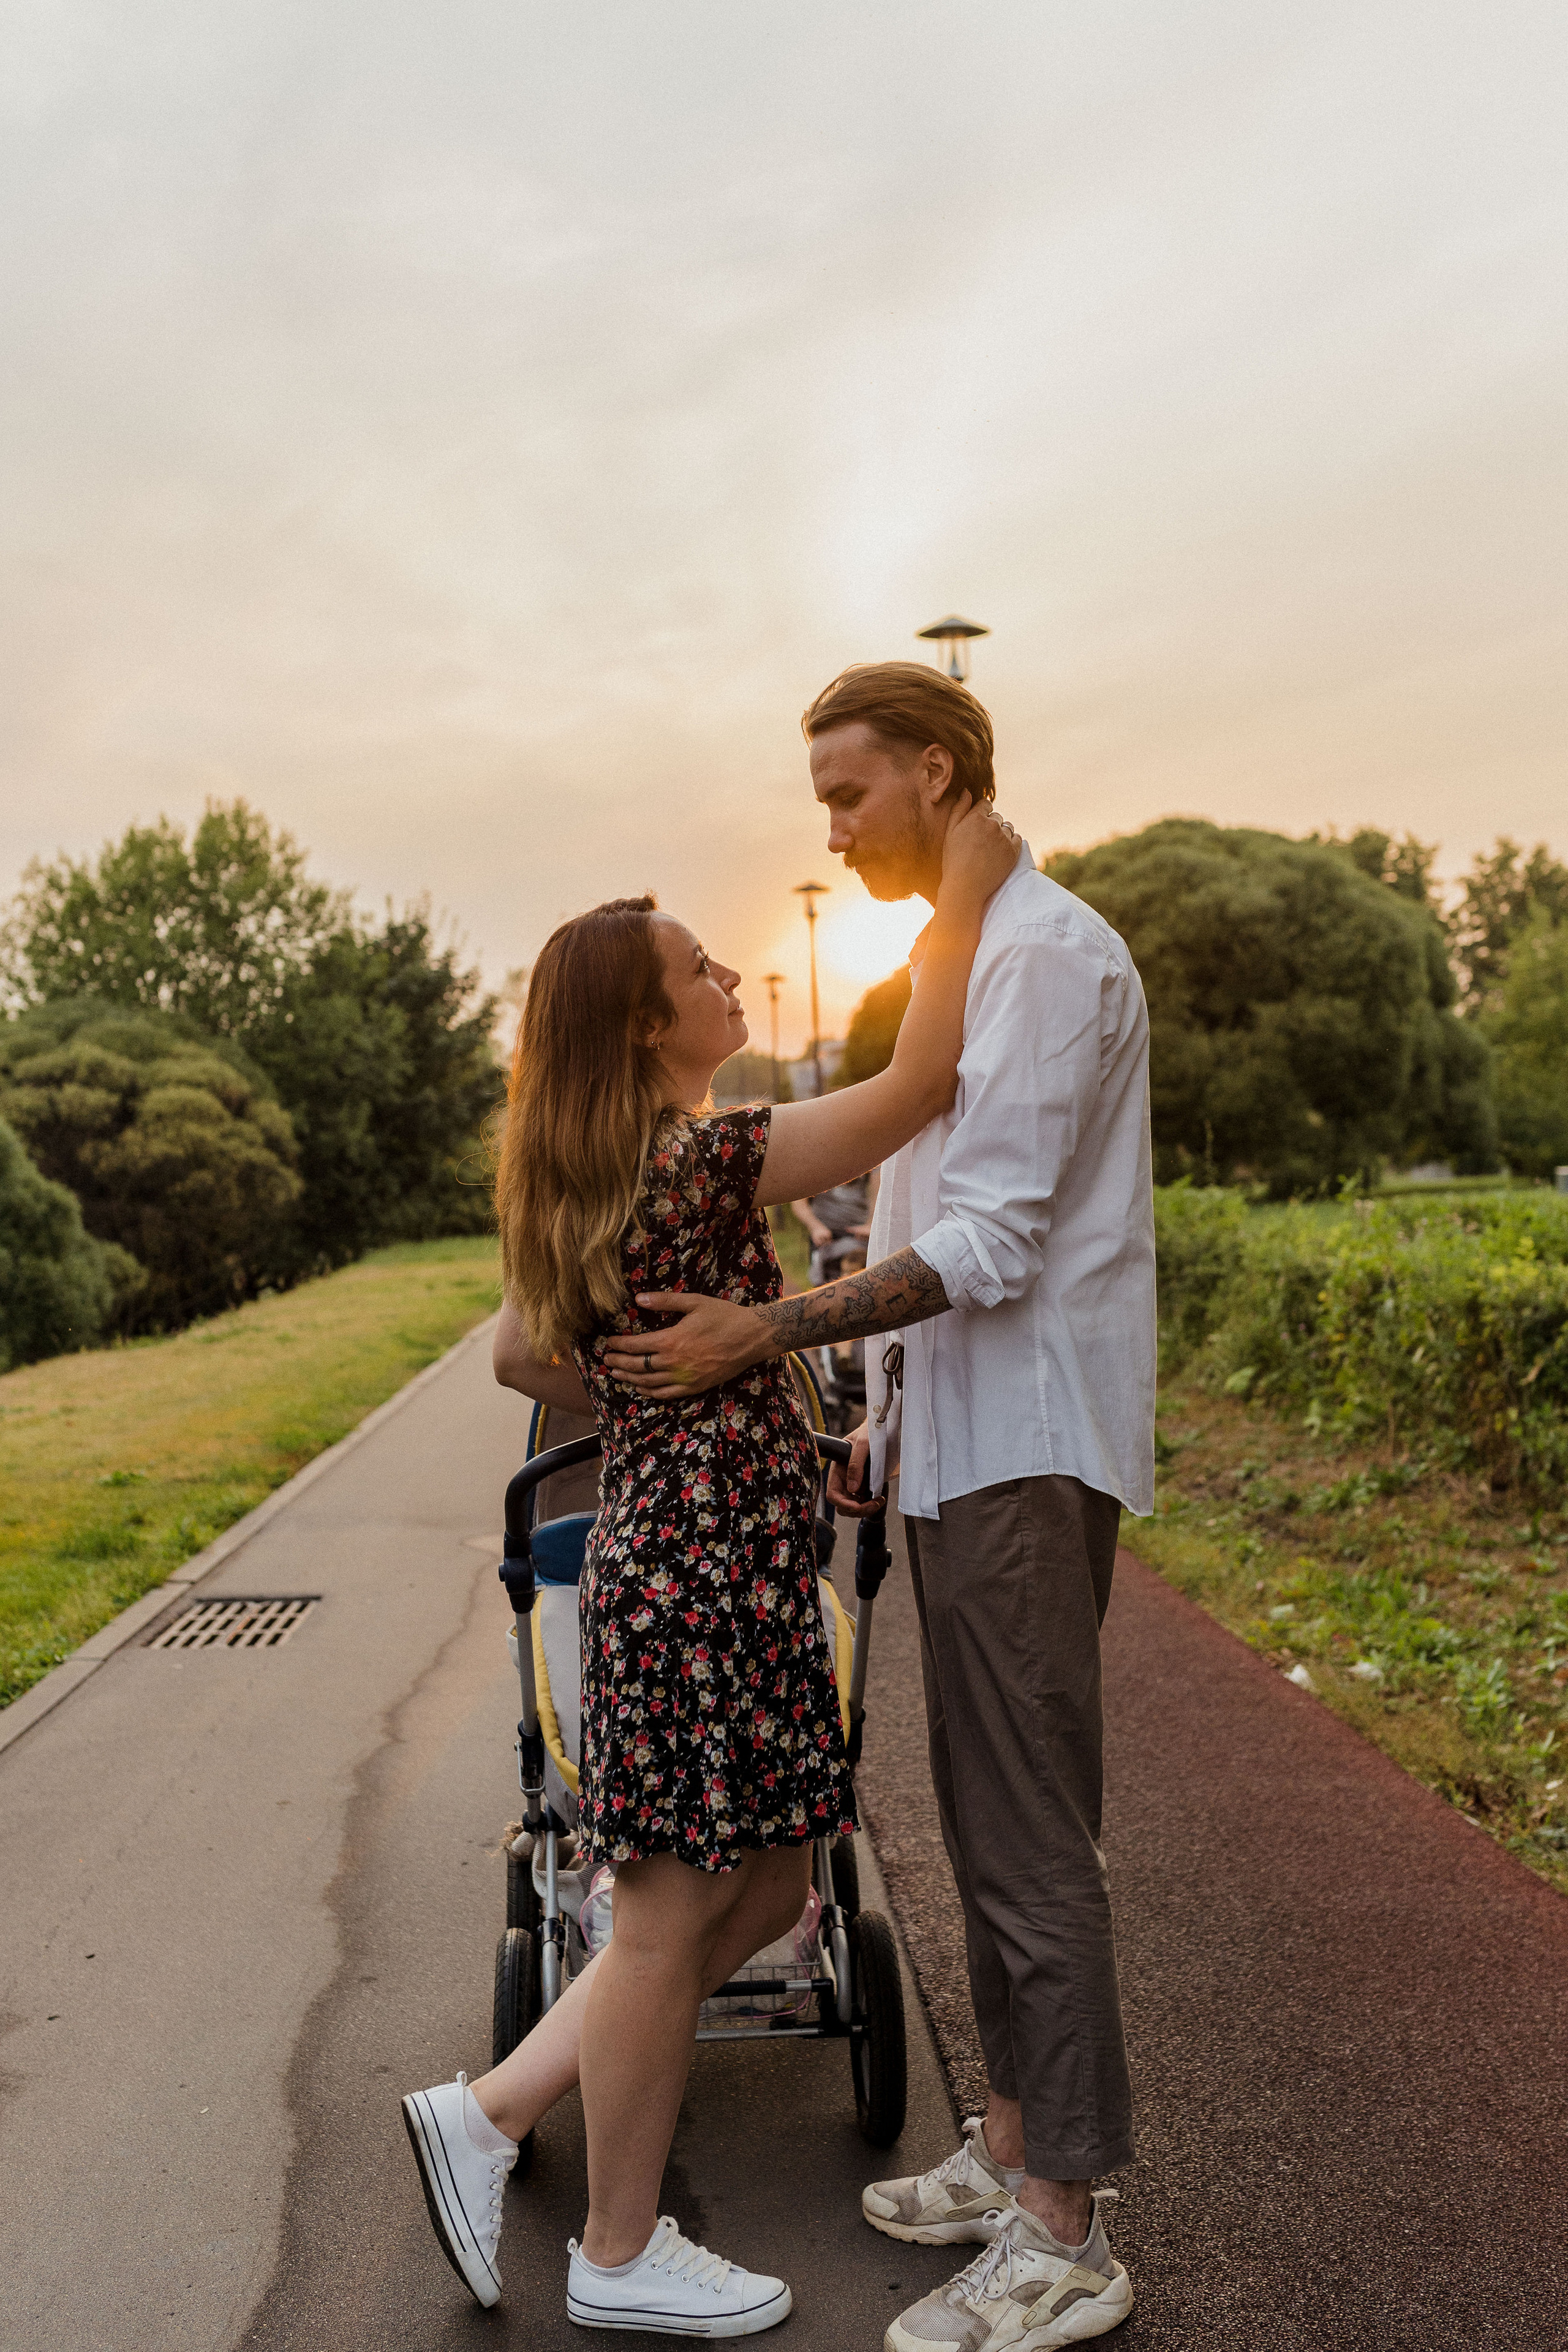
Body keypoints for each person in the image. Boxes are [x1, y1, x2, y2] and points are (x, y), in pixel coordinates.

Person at [399, 789, 1019, 2335]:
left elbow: (517, 1355)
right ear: (641, 1025)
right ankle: (614, 2256)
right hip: (695, 1571)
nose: (727, 973)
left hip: (712, 1554)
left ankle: (489, 2112)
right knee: (672, 1918)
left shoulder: (608, 1167)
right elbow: (919, 1083)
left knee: (769, 1889)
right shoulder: (702, 1159)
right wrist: (962, 893)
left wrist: (726, 1409)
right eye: (696, 967)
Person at [600, 663, 1156, 2351]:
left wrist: (762, 1332)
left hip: (1024, 1455)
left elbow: (991, 1240)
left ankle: (1064, 2230)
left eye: (849, 794)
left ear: (939, 767)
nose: (832, 832)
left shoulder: (1041, 958)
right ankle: (1012, 2149)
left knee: (1029, 1837)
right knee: (983, 1820)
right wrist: (882, 1424)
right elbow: (933, 1206)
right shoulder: (968, 955)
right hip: (959, 1448)